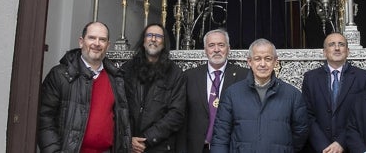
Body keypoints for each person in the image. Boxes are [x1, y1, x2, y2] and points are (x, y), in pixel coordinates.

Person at [37, 21, 131, 153]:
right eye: (92, 38)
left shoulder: (116, 79)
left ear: (108, 46)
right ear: (81, 42)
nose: (97, 43)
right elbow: (44, 119)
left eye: (102, 39)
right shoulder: (60, 75)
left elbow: (122, 123)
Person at [211, 38, 310, 152]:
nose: (263, 64)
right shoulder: (232, 93)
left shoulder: (293, 94)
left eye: (268, 59)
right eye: (257, 59)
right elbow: (220, 135)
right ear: (249, 61)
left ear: (275, 61)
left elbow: (301, 132)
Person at [301, 32, 366, 153]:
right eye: (332, 44)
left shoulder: (363, 77)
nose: (337, 48)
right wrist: (323, 146)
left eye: (341, 44)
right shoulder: (310, 78)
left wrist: (341, 142)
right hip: (319, 149)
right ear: (324, 52)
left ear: (348, 51)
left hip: (351, 147)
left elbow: (364, 114)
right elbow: (307, 115)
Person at [181, 28, 248, 153]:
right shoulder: (190, 76)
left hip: (230, 148)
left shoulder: (243, 76)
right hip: (197, 148)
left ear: (229, 48)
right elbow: (182, 117)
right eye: (211, 45)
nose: (216, 49)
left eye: (221, 45)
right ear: (205, 50)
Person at [122, 23, 185, 153]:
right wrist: (127, 138)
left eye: (158, 36)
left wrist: (147, 139)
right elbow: (118, 106)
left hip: (159, 147)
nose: (153, 39)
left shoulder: (175, 73)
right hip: (127, 146)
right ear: (143, 40)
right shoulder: (127, 69)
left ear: (164, 43)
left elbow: (176, 114)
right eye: (149, 35)